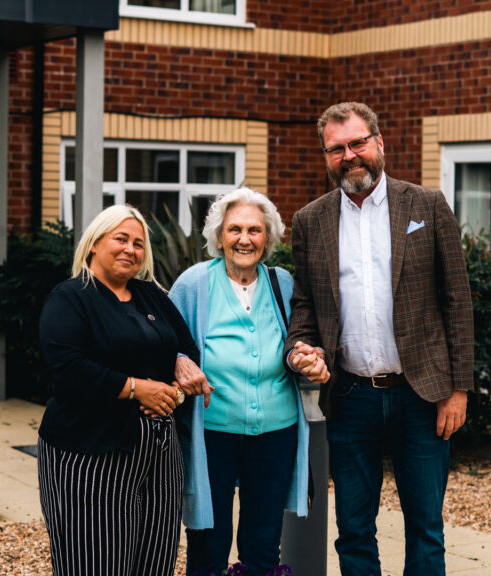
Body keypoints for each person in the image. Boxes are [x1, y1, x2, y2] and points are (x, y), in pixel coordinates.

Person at [285, 102, 474, 575]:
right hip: (349, 396)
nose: (349, 156)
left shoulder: (426, 205)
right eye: (336, 149)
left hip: (422, 393)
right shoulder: (311, 220)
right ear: (326, 155)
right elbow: (306, 304)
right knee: (353, 528)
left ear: (379, 143)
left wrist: (459, 389)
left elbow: (458, 300)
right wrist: (299, 348)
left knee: (426, 527)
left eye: (357, 143)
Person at [37, 204, 208, 576]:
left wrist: (175, 387)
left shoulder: (150, 295)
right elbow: (67, 369)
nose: (131, 249)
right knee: (96, 562)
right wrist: (135, 388)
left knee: (155, 562)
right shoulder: (70, 297)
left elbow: (188, 349)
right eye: (121, 239)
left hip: (160, 456)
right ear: (95, 243)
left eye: (139, 243)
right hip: (90, 454)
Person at [168, 188, 323, 576]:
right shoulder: (194, 283)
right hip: (213, 431)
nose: (244, 239)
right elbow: (164, 342)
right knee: (208, 541)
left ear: (267, 238)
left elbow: (303, 337)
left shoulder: (283, 283)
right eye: (234, 229)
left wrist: (308, 356)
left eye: (254, 230)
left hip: (276, 430)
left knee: (263, 542)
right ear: (219, 237)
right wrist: (180, 362)